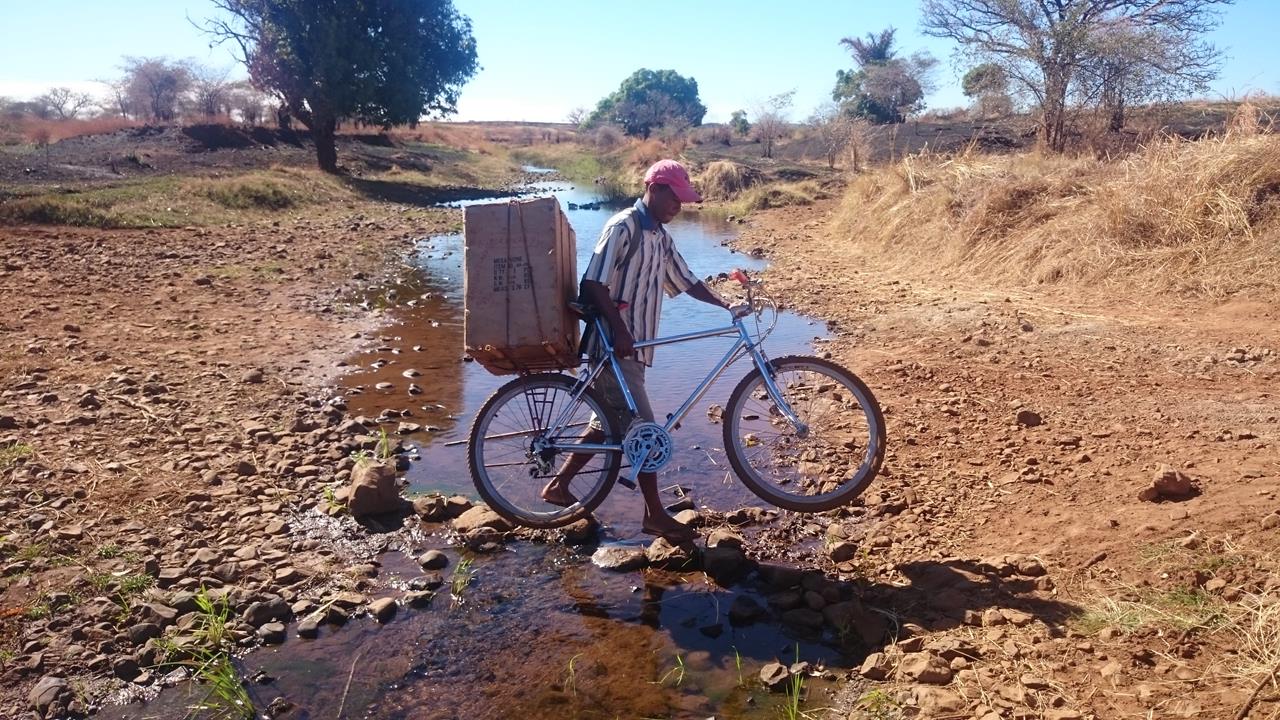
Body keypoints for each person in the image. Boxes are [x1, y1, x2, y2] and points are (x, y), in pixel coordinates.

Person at [541, 159, 741, 543]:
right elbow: (593, 283)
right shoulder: (624, 227)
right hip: (613, 348)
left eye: (682, 201)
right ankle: (654, 515)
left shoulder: (660, 237)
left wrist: (726, 304)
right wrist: (620, 330)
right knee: (645, 431)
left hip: (634, 350)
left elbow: (686, 280)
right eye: (674, 198)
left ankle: (559, 486)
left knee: (605, 424)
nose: (678, 206)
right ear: (654, 188)